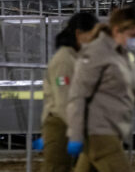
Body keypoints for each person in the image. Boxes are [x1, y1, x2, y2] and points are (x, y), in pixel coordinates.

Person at [66, 7, 135, 172]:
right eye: (134, 35)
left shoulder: (122, 55)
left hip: (111, 131)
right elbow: (78, 95)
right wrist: (75, 135)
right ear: (117, 30)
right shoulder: (96, 52)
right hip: (99, 133)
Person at [40, 12, 99, 172]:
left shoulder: (77, 58)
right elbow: (63, 101)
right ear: (79, 34)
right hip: (61, 124)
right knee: (57, 167)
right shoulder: (64, 60)